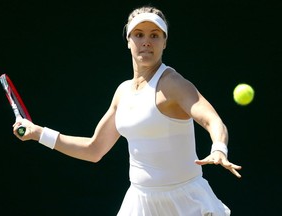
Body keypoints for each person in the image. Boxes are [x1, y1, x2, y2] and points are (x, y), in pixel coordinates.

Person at [13, 5, 242, 216]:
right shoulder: (123, 92)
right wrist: (39, 133)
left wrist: (219, 148)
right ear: (128, 40)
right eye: (139, 34)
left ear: (165, 42)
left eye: (154, 35)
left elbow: (212, 120)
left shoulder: (173, 84)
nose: (146, 42)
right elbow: (94, 149)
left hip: (186, 202)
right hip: (140, 203)